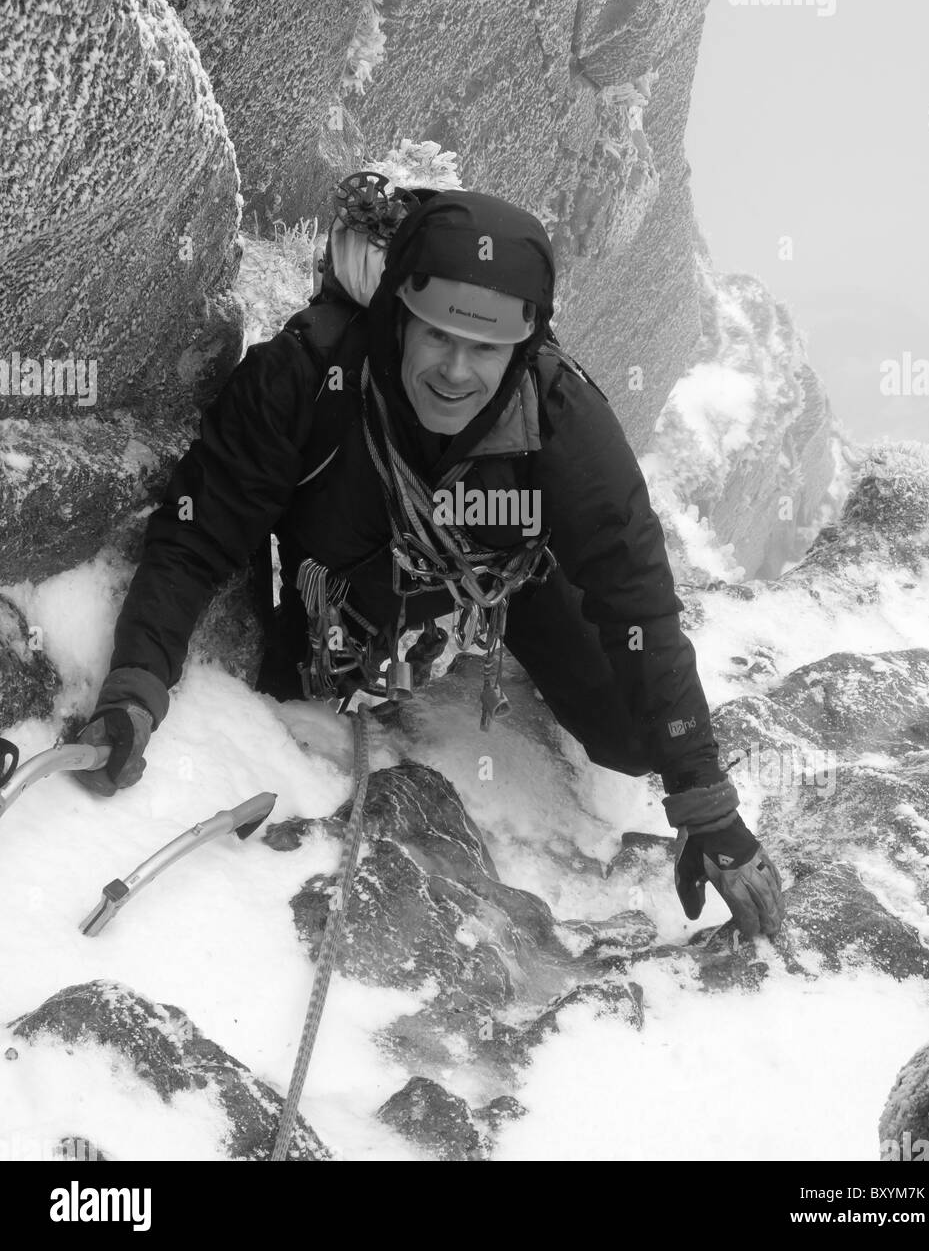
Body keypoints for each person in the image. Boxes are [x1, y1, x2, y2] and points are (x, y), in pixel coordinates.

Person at [74, 179, 783, 939]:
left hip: (502, 580)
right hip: (336, 585)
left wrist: (700, 794)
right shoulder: (306, 378)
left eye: (485, 347)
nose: (454, 369)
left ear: (523, 349)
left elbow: (636, 601)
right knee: (286, 700)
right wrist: (136, 686)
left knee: (631, 736)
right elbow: (196, 535)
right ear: (394, 319)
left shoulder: (559, 421)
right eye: (436, 335)